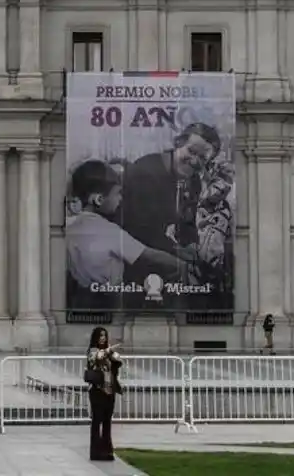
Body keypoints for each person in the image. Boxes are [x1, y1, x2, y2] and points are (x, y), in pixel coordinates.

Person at [66, 160, 194, 294]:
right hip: (107, 298)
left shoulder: (69, 225)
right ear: (99, 199)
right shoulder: (109, 231)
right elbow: (149, 255)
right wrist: (181, 265)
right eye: (118, 193)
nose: (121, 198)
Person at [119, 122, 224, 285]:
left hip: (156, 250)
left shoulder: (194, 181)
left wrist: (192, 245)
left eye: (202, 158)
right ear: (179, 143)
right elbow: (139, 230)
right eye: (191, 151)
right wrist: (177, 251)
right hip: (127, 255)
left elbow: (187, 222)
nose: (194, 160)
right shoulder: (145, 171)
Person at [86, 326, 122, 462]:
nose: (103, 338)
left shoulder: (109, 352)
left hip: (109, 390)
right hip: (97, 390)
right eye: (101, 336)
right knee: (97, 420)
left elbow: (118, 361)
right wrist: (109, 350)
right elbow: (97, 357)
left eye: (105, 335)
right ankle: (95, 451)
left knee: (107, 421)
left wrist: (114, 357)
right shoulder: (93, 351)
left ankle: (107, 451)